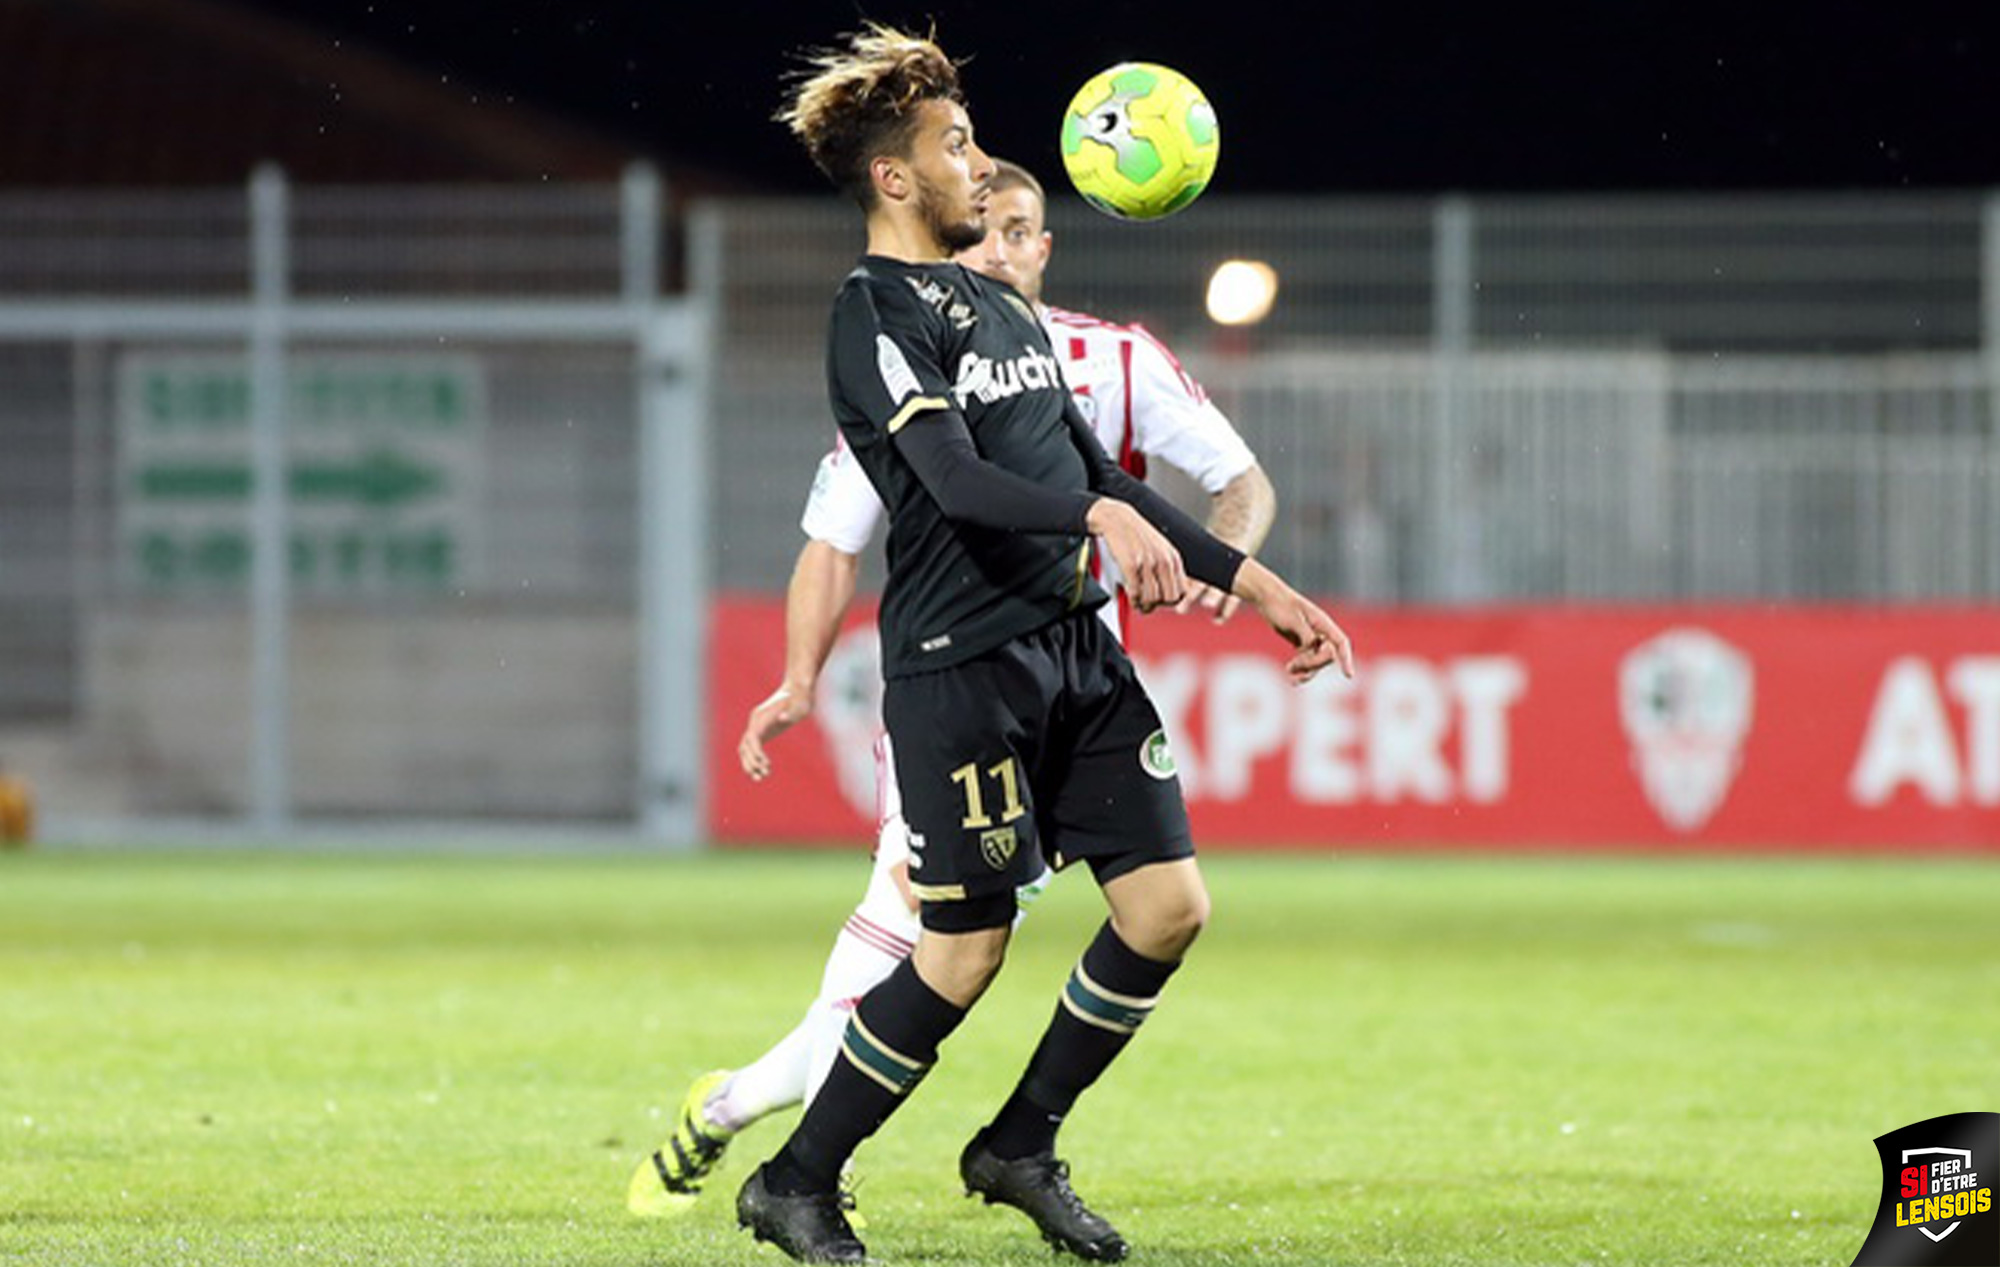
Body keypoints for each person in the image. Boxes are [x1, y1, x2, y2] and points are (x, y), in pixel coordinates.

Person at [730, 25, 1351, 1264]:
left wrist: (1261, 583)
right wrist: (1099, 512)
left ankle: (1016, 1144)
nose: (980, 169)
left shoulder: (992, 309)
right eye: (954, 149)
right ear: (895, 180)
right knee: (961, 952)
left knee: (1168, 907)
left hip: (1078, 660)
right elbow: (955, 482)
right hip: (961, 670)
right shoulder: (874, 312)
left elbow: (1094, 467)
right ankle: (795, 1180)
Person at [628, 157, 1278, 1219]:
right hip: (962, 677)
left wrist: (1235, 576)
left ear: (1041, 245)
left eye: (1017, 230)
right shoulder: (914, 345)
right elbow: (835, 542)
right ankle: (746, 1120)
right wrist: (797, 679)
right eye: (982, 231)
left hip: (1081, 674)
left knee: (1138, 914)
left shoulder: (1111, 357)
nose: (995, 248)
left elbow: (1236, 480)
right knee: (934, 949)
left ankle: (989, 1146)